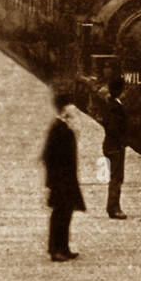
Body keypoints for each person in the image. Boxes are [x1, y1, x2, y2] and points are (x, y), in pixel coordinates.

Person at [40, 90, 85, 261]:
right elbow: (48, 157)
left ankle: (64, 247)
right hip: (60, 180)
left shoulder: (64, 127)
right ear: (65, 109)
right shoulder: (57, 128)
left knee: (66, 213)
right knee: (59, 214)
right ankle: (55, 249)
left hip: (67, 178)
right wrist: (52, 181)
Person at [102, 75, 128, 219]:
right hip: (115, 146)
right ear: (120, 90)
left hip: (112, 144)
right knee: (116, 177)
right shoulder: (114, 107)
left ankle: (113, 206)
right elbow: (113, 127)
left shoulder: (111, 104)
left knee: (116, 176)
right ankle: (114, 207)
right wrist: (123, 140)